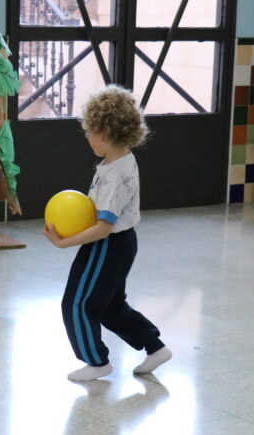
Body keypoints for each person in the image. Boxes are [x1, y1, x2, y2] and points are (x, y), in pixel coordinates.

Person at [43, 85, 172, 381]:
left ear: (104, 133)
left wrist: (64, 242)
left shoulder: (115, 175)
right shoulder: (120, 161)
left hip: (108, 245)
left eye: (89, 131)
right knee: (110, 305)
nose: (87, 137)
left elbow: (102, 228)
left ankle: (96, 361)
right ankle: (155, 348)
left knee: (77, 303)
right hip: (122, 243)